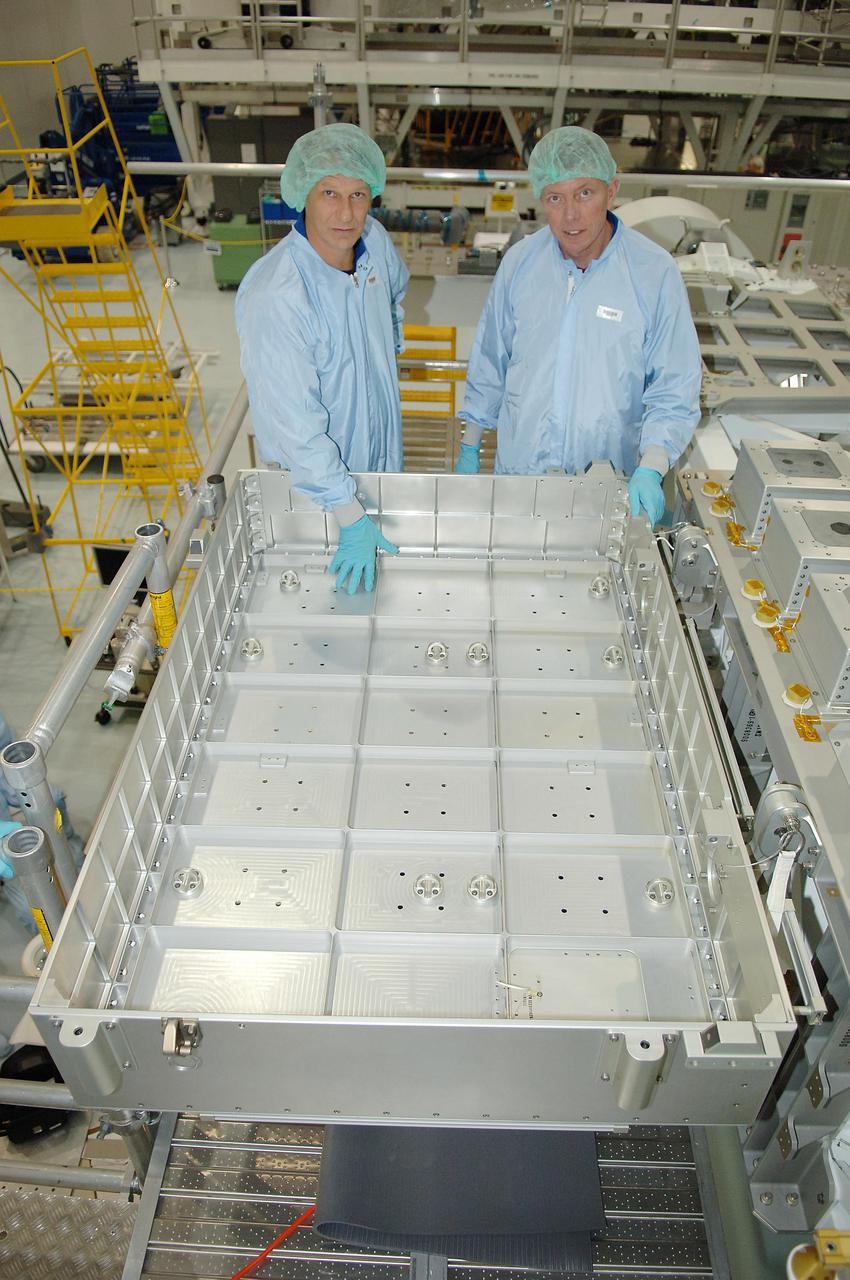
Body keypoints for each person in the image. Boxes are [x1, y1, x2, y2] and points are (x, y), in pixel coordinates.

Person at [455, 127, 701, 527]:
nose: (570, 215)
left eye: (584, 193)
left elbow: (674, 387)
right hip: (521, 480)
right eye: (555, 198)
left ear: (612, 190)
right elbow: (490, 359)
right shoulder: (520, 264)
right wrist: (470, 447)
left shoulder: (653, 273)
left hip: (605, 488)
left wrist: (652, 467)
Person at [236, 123, 409, 593]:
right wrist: (348, 514)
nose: (346, 212)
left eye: (358, 194)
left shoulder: (374, 245)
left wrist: (386, 342)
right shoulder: (279, 294)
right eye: (329, 192)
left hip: (380, 471)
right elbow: (296, 428)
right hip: (319, 505)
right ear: (302, 195)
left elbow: (395, 291)